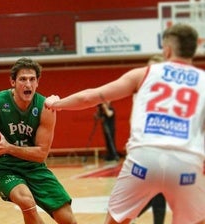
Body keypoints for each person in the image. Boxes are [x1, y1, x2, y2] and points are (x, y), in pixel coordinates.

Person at [45, 23, 205, 224]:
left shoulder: (145, 73)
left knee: (115, 221)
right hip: (186, 161)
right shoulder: (203, 81)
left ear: (168, 49)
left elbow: (90, 98)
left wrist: (57, 103)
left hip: (144, 159)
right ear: (195, 47)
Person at [0, 57, 77, 224]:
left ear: (37, 83)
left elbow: (41, 154)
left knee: (67, 219)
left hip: (33, 167)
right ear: (12, 82)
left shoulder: (45, 108)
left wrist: (9, 148)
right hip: (2, 167)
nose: (28, 84)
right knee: (27, 202)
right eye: (22, 79)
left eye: (32, 79)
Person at [134, 54, 167, 224]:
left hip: (168, 146)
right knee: (157, 188)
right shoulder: (143, 92)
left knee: (158, 189)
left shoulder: (171, 92)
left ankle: (131, 214)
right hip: (149, 147)